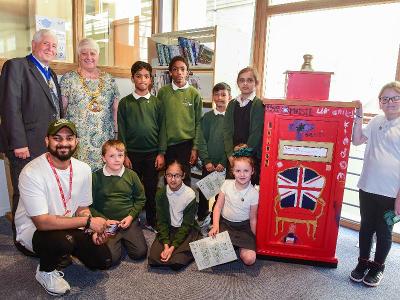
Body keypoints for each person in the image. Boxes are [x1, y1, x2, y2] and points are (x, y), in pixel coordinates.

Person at [14, 119, 112, 296]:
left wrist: (91, 231)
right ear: (47, 141)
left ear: (76, 142)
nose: (64, 143)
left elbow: (83, 208)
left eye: (69, 138)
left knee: (103, 260)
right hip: (34, 231)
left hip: (68, 224)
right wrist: (88, 222)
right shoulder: (31, 172)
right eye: (57, 138)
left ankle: (67, 248)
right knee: (61, 241)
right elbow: (42, 222)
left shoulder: (83, 169)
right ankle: (45, 271)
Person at [0, 29, 63, 246]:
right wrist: (19, 142)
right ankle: (22, 238)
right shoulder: (16, 66)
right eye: (46, 44)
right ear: (33, 44)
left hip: (48, 146)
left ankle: (42, 234)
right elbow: (9, 107)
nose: (50, 49)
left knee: (43, 191)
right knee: (24, 191)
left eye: (54, 46)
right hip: (25, 145)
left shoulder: (51, 73)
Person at [349, 82, 400, 287]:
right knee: (366, 229)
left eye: (395, 98)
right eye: (385, 99)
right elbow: (356, 140)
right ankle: (362, 263)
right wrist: (359, 116)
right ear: (380, 103)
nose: (390, 102)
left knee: (384, 232)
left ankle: (378, 267)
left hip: (391, 193)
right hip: (368, 186)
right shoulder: (376, 121)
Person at [118, 61, 166, 231]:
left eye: (146, 76)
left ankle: (152, 220)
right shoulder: (125, 103)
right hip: (132, 154)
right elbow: (121, 131)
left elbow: (162, 130)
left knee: (152, 189)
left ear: (151, 79)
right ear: (132, 78)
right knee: (133, 189)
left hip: (152, 154)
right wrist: (124, 155)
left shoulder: (157, 103)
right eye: (138, 76)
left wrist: (161, 153)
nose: (142, 79)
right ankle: (133, 219)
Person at [60, 38, 119, 171]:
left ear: (98, 56)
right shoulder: (68, 79)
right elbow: (61, 110)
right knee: (79, 179)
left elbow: (115, 109)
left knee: (104, 180)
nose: (89, 57)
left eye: (92, 53)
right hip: (79, 142)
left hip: (105, 140)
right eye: (84, 53)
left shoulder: (109, 79)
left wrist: (116, 135)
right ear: (78, 56)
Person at [90, 140, 148, 265]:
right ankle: (116, 240)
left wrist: (131, 216)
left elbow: (140, 199)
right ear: (103, 158)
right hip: (107, 222)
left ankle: (126, 236)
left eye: (120, 155)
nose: (117, 160)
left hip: (128, 220)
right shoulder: (95, 178)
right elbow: (90, 205)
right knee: (112, 259)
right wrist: (105, 221)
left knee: (140, 253)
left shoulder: (132, 175)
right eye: (112, 156)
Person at [209, 145, 259, 266]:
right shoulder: (226, 184)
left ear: (252, 171)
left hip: (244, 227)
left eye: (246, 171)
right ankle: (228, 245)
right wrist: (215, 226)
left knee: (250, 259)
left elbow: (253, 218)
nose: (242, 174)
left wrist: (256, 238)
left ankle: (238, 247)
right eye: (238, 171)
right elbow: (218, 207)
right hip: (226, 224)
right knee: (213, 255)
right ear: (233, 171)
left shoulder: (254, 193)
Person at [157, 55, 203, 186]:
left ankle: (185, 206)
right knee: (169, 178)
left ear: (187, 72)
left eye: (182, 69)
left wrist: (195, 148)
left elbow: (198, 122)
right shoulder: (163, 93)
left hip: (186, 145)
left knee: (184, 178)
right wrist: (161, 150)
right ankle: (169, 206)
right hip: (168, 145)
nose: (179, 72)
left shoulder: (194, 94)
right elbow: (159, 122)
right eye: (175, 69)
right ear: (170, 72)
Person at [148, 160, 200, 271]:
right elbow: (161, 221)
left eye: (177, 176)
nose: (172, 179)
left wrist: (172, 248)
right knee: (153, 259)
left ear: (183, 176)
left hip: (186, 230)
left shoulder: (190, 194)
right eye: (169, 175)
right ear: (165, 176)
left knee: (176, 262)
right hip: (169, 229)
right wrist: (166, 245)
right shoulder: (161, 194)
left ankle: (186, 246)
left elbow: (187, 225)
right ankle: (174, 249)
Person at [197, 82, 232, 235]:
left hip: (224, 165)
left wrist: (224, 162)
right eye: (217, 94)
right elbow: (201, 140)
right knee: (205, 192)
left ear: (229, 97)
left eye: (223, 94)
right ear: (213, 97)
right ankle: (202, 215)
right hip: (209, 164)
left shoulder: (232, 119)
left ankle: (215, 220)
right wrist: (206, 161)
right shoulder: (208, 117)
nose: (220, 98)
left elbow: (231, 141)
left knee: (220, 195)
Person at [224, 67, 264, 185]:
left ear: (256, 83)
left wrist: (244, 153)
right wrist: (231, 155)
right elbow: (226, 131)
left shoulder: (258, 105)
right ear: (238, 83)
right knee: (231, 191)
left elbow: (256, 133)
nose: (245, 83)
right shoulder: (232, 104)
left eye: (250, 80)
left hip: (250, 158)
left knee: (248, 194)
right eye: (242, 80)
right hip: (233, 157)